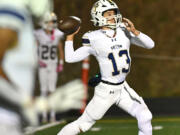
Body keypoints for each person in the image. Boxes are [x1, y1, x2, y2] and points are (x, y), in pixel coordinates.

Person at [57, 0, 155, 135]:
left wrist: (134, 31)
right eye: (108, 14)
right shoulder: (93, 37)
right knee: (83, 124)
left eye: (114, 13)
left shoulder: (123, 30)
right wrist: (70, 37)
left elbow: (150, 45)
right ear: (98, 16)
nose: (113, 16)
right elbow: (70, 58)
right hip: (106, 90)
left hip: (122, 87)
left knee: (145, 116)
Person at [0, 0, 85, 134]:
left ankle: (48, 114)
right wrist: (27, 102)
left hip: (10, 116)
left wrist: (33, 104)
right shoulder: (12, 11)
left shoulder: (22, 19)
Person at [34, 12, 64, 123]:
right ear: (44, 22)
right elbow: (34, 49)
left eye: (53, 21)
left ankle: (52, 115)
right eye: (50, 21)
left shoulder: (57, 34)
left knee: (52, 90)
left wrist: (61, 63)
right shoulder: (38, 34)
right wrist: (38, 60)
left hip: (53, 64)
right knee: (43, 90)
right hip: (43, 65)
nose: (52, 24)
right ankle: (44, 116)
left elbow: (60, 49)